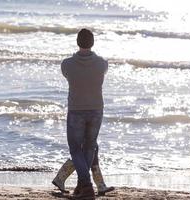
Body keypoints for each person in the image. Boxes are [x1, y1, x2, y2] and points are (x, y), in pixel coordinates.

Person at [58, 28, 108, 200]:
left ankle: (86, 186)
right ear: (92, 43)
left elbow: (67, 76)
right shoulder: (102, 63)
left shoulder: (67, 64)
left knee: (75, 148)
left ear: (77, 43)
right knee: (89, 146)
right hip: (96, 110)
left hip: (77, 110)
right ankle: (82, 186)